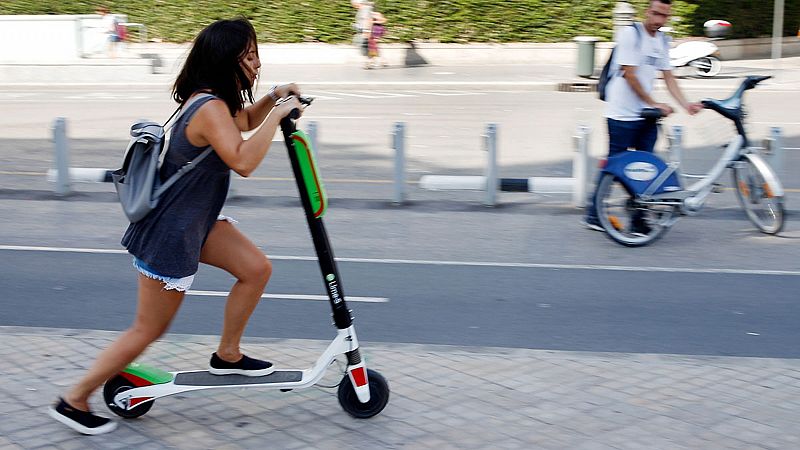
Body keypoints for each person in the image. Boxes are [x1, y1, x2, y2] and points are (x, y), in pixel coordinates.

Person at [48, 18, 304, 435]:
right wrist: (279, 115)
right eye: (250, 56)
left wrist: (274, 97)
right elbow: (242, 161)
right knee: (149, 328)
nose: (258, 64)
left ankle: (228, 356)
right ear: (227, 60)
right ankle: (73, 399)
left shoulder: (212, 101)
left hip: (197, 221)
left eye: (258, 55)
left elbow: (243, 123)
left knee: (256, 269)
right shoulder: (208, 108)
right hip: (173, 230)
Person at [583, 0, 702, 232]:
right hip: (621, 114)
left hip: (646, 116)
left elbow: (668, 76)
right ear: (647, 11)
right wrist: (655, 103)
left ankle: (638, 222)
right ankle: (593, 215)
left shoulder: (663, 41)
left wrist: (686, 104)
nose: (659, 20)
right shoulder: (631, 34)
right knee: (614, 166)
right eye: (656, 14)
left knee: (645, 168)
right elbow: (630, 76)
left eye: (664, 16)